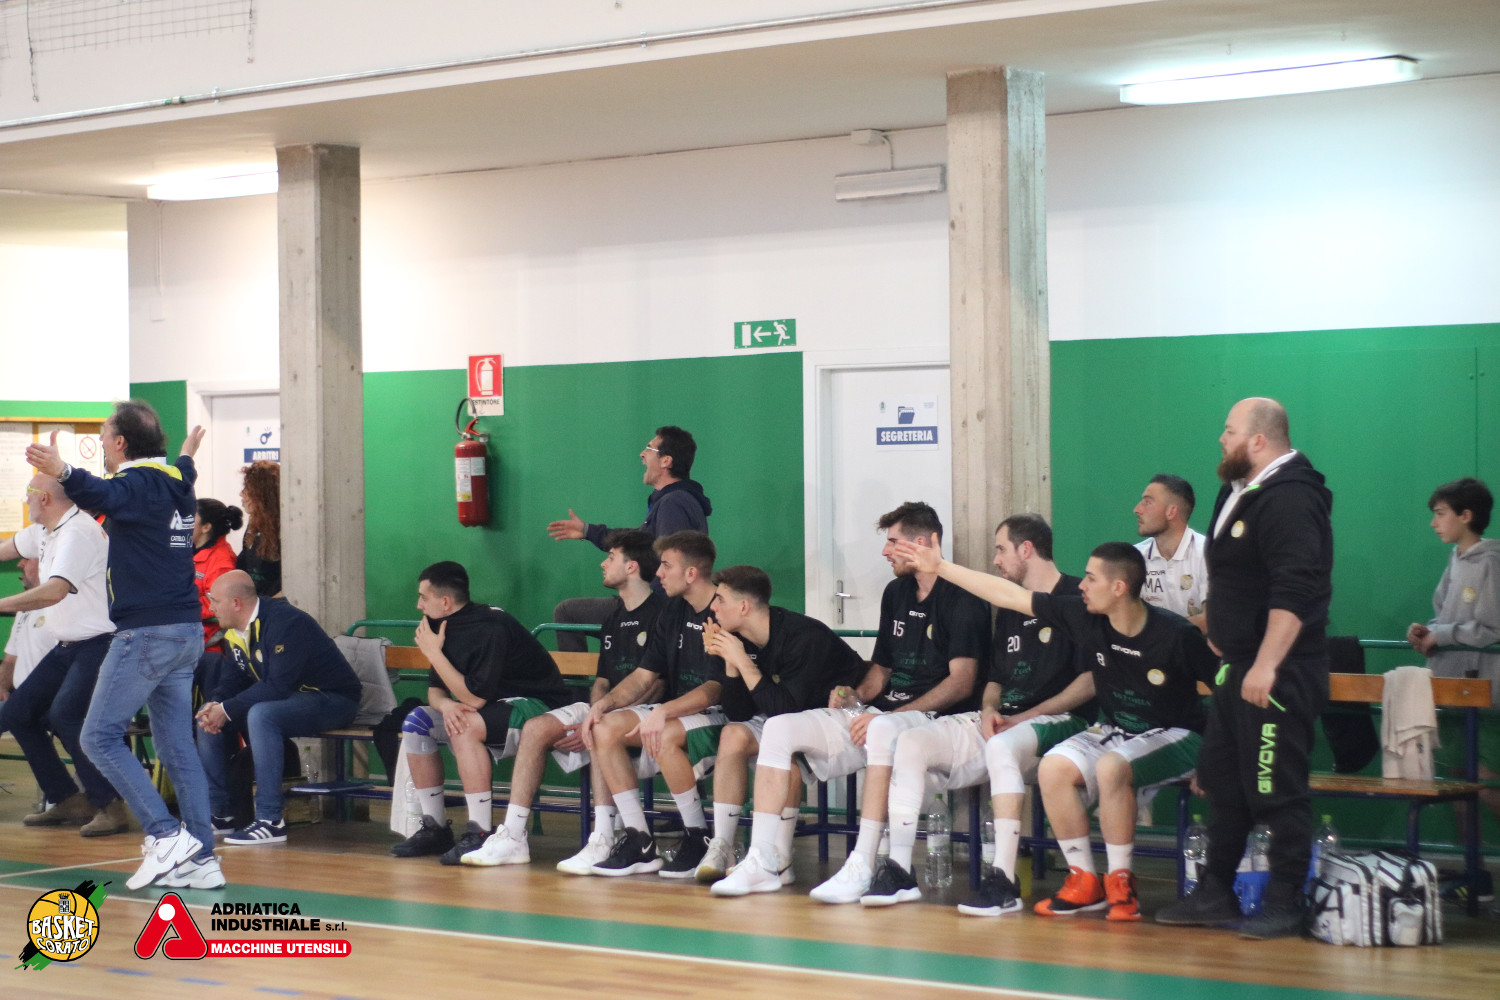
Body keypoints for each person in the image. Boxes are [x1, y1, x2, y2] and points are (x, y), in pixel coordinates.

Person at [898, 535, 1216, 921]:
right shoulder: (1086, 617)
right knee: (1053, 767)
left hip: (1180, 734)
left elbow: (1225, 696)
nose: (1082, 585)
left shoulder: (1176, 634)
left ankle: (1121, 884)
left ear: (1119, 588)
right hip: (1119, 729)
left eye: (1091, 578)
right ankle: (1084, 880)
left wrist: (1215, 758)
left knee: (1111, 767)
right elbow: (1009, 596)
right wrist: (941, 567)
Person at [712, 502, 989, 900]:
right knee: (779, 727)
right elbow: (882, 669)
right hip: (880, 713)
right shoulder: (896, 593)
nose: (885, 551)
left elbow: (962, 683)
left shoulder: (963, 598)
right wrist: (856, 695)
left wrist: (892, 715)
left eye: (893, 542)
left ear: (924, 542)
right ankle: (763, 860)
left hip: (934, 718)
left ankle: (864, 863)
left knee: (883, 729)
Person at [1157, 396, 1333, 939]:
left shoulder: (1292, 497)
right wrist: (1220, 630)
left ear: (1259, 439)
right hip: (1236, 665)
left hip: (1278, 672)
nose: (1221, 439)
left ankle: (1285, 898)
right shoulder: (1238, 490)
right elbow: (1235, 579)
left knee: (1276, 787)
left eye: (1229, 431)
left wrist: (1267, 663)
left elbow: (1296, 589)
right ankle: (1216, 890)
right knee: (1222, 783)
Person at [26, 402, 220, 890]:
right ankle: (201, 857)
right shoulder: (176, 479)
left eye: (105, 434)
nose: (101, 443)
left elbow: (101, 492)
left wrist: (62, 471)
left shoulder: (139, 483)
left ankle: (165, 835)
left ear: (120, 443)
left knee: (97, 737)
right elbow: (184, 468)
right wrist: (187, 451)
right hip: (185, 632)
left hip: (147, 633)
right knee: (176, 747)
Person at [870, 514, 1090, 914]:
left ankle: (1003, 879)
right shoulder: (1009, 607)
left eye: (1001, 549)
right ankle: (900, 869)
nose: (995, 560)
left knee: (1002, 746)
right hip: (1005, 721)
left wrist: (1028, 715)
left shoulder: (1077, 597)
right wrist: (989, 709)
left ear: (1026, 549)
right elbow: (994, 679)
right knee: (911, 741)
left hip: (1060, 722)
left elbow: (1091, 682)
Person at [459, 530, 666, 871]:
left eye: (610, 557)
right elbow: (602, 680)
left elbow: (656, 685)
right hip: (607, 707)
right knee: (535, 728)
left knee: (601, 730)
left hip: (645, 712)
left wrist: (600, 716)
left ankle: (603, 838)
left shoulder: (662, 614)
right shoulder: (613, 617)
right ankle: (513, 836)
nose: (603, 563)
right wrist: (594, 709)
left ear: (631, 567)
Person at [389, 561, 572, 864]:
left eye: (423, 597)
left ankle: (480, 832)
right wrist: (447, 705)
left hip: (537, 705)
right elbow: (435, 691)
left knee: (465, 725)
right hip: (488, 709)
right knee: (416, 722)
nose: (418, 605)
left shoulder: (490, 626)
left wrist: (433, 652)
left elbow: (474, 699)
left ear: (445, 602)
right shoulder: (439, 626)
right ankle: (435, 828)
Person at [693, 564, 867, 883]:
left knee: (781, 748)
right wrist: (732, 664)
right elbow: (739, 713)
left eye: (720, 599)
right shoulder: (739, 638)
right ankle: (722, 846)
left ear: (743, 606)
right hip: (788, 717)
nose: (713, 607)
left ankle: (779, 857)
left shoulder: (803, 637)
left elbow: (784, 711)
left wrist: (742, 661)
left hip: (842, 718)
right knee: (733, 734)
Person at [580, 530, 725, 877]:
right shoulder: (673, 610)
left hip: (724, 714)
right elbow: (644, 675)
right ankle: (639, 840)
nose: (658, 573)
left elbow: (715, 689)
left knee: (667, 733)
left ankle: (697, 835)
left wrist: (664, 710)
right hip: (679, 710)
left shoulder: (724, 609)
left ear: (691, 573)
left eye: (666, 566)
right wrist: (604, 705)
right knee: (604, 728)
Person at [194, 570, 363, 846]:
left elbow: (277, 686)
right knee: (206, 716)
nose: (210, 608)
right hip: (290, 700)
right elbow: (231, 681)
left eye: (214, 600)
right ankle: (221, 813)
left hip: (333, 699)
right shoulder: (234, 631)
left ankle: (270, 819)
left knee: (261, 715)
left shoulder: (286, 622)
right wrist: (216, 704)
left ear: (236, 603)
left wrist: (226, 709)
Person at [0, 476, 127, 837]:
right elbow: (6, 548)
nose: (25, 500)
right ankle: (68, 799)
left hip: (100, 642)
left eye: (28, 494)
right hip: (68, 645)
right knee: (18, 713)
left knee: (66, 715)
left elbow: (54, 591)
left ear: (43, 498)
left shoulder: (77, 533)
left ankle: (110, 805)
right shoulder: (45, 530)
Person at [1405, 477, 1499, 902]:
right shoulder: (1456, 559)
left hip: (1485, 691)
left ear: (1467, 516)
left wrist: (1442, 635)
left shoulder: (1492, 561)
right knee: (1459, 780)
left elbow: (1491, 628)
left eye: (1441, 514)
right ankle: (1473, 873)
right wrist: (1426, 632)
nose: (1433, 523)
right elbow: (1443, 617)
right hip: (1451, 686)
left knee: (1487, 783)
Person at [547, 427, 712, 652]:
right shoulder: (671, 501)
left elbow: (673, 562)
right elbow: (638, 542)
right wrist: (588, 531)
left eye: (649, 449)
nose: (642, 454)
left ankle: (576, 679)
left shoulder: (673, 503)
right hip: (659, 606)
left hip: (659, 609)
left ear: (666, 461)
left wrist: (657, 615)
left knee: (567, 612)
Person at [1134, 474, 1208, 631]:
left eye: (1147, 502)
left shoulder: (1207, 554)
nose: (1137, 509)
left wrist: (1159, 634)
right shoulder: (1135, 557)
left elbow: (1212, 620)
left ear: (1171, 511)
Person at [1, 555, 58, 699]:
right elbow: (11, 659)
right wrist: (2, 686)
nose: (20, 564)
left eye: (26, 558)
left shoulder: (62, 608)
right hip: (21, 698)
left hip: (49, 700)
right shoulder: (24, 608)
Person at [193, 498, 242, 642]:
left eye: (190, 518)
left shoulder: (221, 563)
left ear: (206, 527)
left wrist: (178, 606)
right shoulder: (189, 550)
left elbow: (216, 603)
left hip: (206, 640)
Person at [237, 460, 281, 597]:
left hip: (276, 605)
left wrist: (266, 606)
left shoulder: (286, 530)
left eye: (247, 489)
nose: (242, 495)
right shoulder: (254, 525)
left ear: (263, 495)